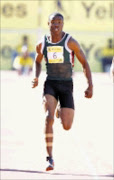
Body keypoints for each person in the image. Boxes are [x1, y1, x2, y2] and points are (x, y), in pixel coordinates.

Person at [32, 12, 93, 171]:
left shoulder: (70, 42)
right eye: (54, 22)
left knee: (67, 126)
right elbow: (37, 61)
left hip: (66, 85)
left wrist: (90, 85)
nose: (56, 25)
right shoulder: (42, 44)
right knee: (48, 118)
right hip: (51, 83)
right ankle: (50, 158)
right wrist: (36, 76)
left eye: (59, 22)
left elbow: (84, 63)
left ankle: (60, 109)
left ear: (63, 24)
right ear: (48, 23)